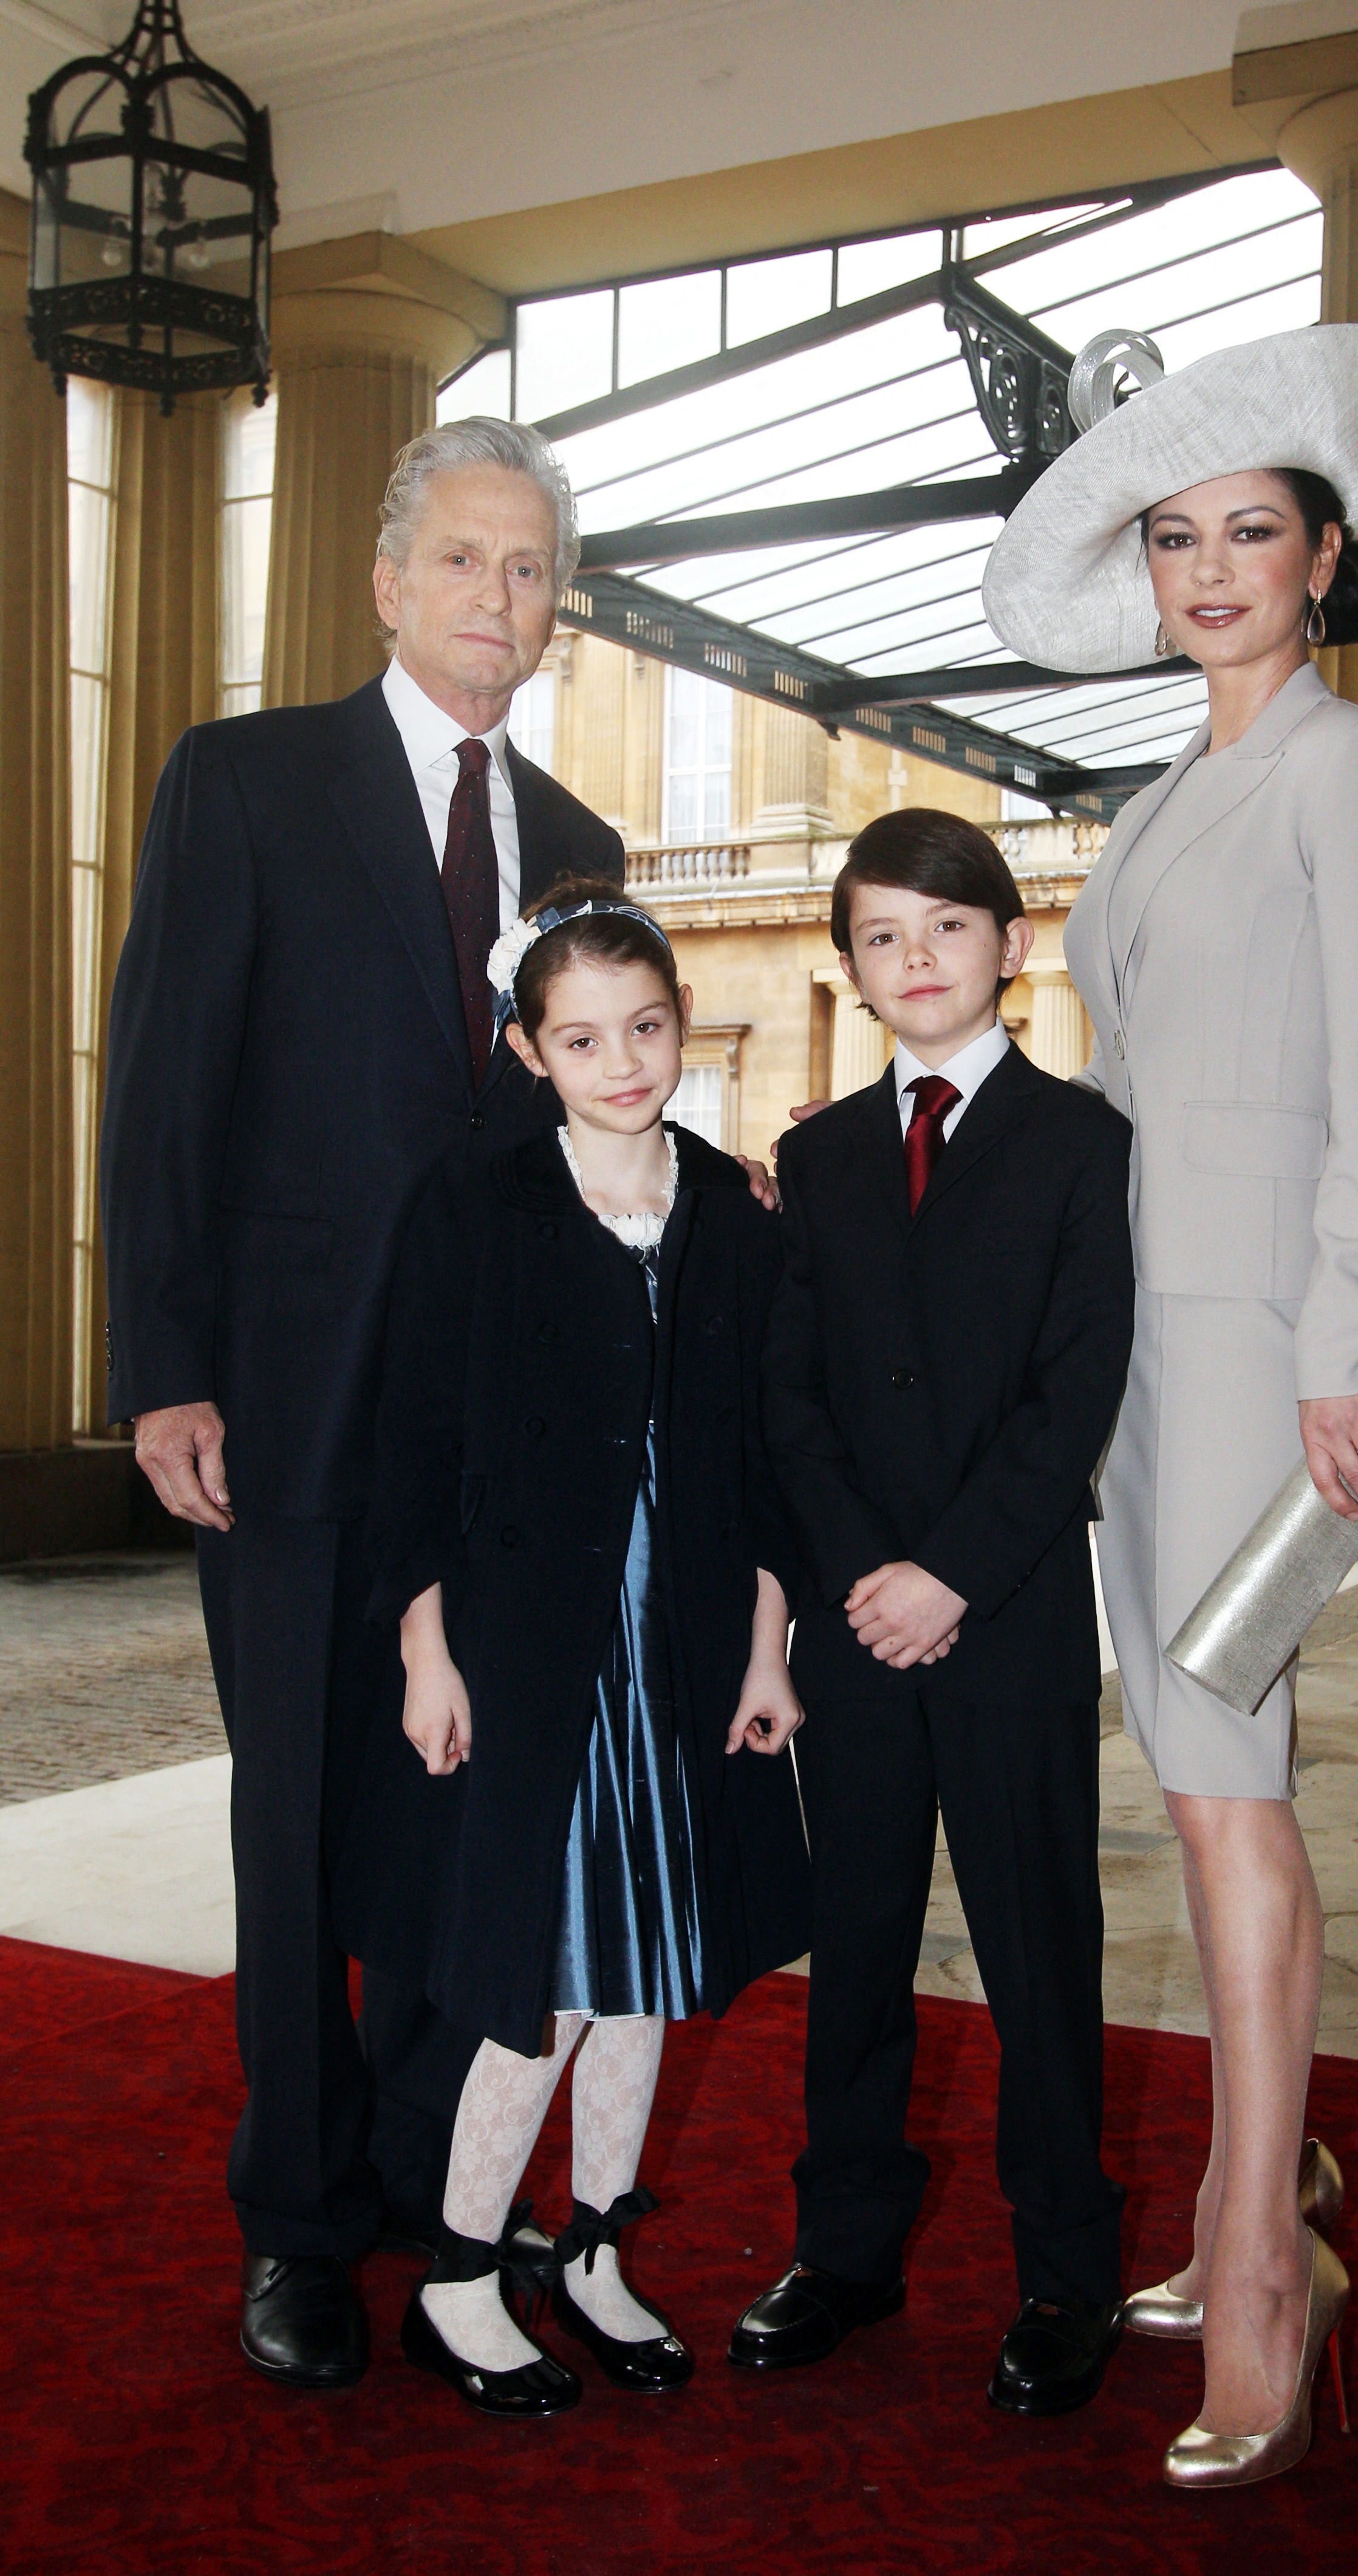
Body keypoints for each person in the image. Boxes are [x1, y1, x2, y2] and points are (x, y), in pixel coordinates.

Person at [100, 416, 766, 2392]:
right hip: (287, 1412)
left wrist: (731, 1196)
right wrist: (164, 1370)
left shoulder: (576, 844)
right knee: (302, 1822)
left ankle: (416, 2173)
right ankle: (298, 2219)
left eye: (532, 570)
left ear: (559, 611)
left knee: (457, 1819)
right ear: (388, 582)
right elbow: (159, 1090)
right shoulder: (241, 781)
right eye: (465, 561)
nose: (499, 598)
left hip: (497, 1442)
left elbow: (581, 1119)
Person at [983, 321, 1358, 2488]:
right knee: (1203, 1776)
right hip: (1144, 1351)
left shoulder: (1354, 770)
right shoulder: (1168, 789)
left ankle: (1256, 2267)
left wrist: (1339, 1341)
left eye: (1245, 529)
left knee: (1217, 1789)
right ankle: (1237, 2209)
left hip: (1260, 1345)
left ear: (1322, 550)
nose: (1205, 565)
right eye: (1171, 536)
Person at [333, 880, 811, 2419]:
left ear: (681, 1027)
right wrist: (425, 1649)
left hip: (678, 1644)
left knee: (644, 1969)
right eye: (583, 1036)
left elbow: (759, 1452)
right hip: (532, 1650)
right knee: (530, 1971)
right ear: (529, 1049)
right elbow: (405, 1444)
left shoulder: (733, 1211)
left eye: (648, 1028)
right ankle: (462, 2270)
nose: (623, 1061)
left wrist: (765, 1645)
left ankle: (596, 2245)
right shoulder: (474, 1202)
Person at [731, 810, 1135, 2417]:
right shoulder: (819, 1155)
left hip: (1013, 1608)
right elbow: (792, 1397)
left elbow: (1077, 1385)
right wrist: (864, 1581)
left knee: (1041, 1944)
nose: (917, 960)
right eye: (884, 937)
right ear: (852, 966)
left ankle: (1067, 2269)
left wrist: (954, 1571)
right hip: (856, 1620)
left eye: (946, 930)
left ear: (1008, 945)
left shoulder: (1083, 1143)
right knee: (861, 1946)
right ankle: (846, 2248)